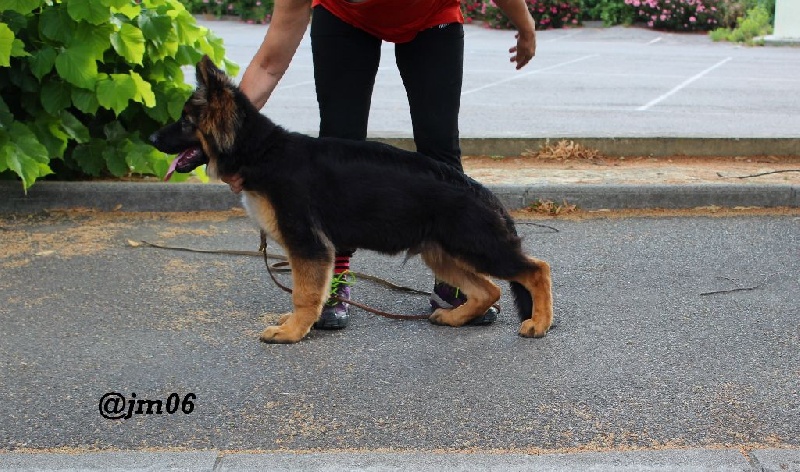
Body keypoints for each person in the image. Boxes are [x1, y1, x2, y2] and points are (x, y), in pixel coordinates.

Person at [223, 0, 537, 329]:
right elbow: (268, 66)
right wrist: (233, 146)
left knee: (439, 150)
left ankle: (455, 275)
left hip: (431, 14)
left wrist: (525, 24)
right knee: (339, 145)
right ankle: (333, 275)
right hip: (343, 20)